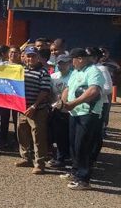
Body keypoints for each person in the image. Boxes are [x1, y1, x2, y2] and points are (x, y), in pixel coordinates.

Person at [59, 48, 105, 190]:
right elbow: (68, 88)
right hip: (75, 113)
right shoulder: (76, 72)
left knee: (83, 145)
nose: (71, 63)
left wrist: (74, 103)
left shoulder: (93, 71)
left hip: (88, 113)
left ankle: (83, 179)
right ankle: (75, 171)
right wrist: (63, 100)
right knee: (73, 144)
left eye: (73, 60)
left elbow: (93, 91)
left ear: (80, 59)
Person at [16, 46, 52, 175]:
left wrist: (34, 106)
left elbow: (44, 91)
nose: (30, 58)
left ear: (38, 57)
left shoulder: (44, 72)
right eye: (28, 56)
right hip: (22, 108)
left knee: (38, 136)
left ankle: (39, 163)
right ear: (24, 57)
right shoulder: (20, 70)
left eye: (33, 56)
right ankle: (26, 158)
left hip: (38, 109)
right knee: (22, 133)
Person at [48, 54, 72, 169]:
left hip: (68, 110)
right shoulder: (53, 76)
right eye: (60, 63)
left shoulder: (73, 76)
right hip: (55, 109)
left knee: (65, 135)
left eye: (64, 63)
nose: (62, 65)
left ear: (70, 63)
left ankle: (63, 157)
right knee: (55, 135)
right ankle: (57, 156)